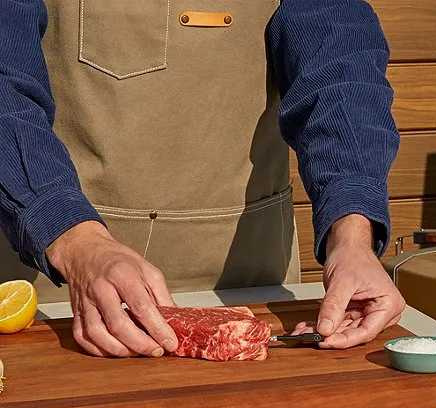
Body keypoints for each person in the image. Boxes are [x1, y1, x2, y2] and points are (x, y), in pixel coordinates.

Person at [0, 0, 405, 357]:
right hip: (60, 284)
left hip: (251, 286)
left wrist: (352, 237)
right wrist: (75, 242)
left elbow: (340, 64)